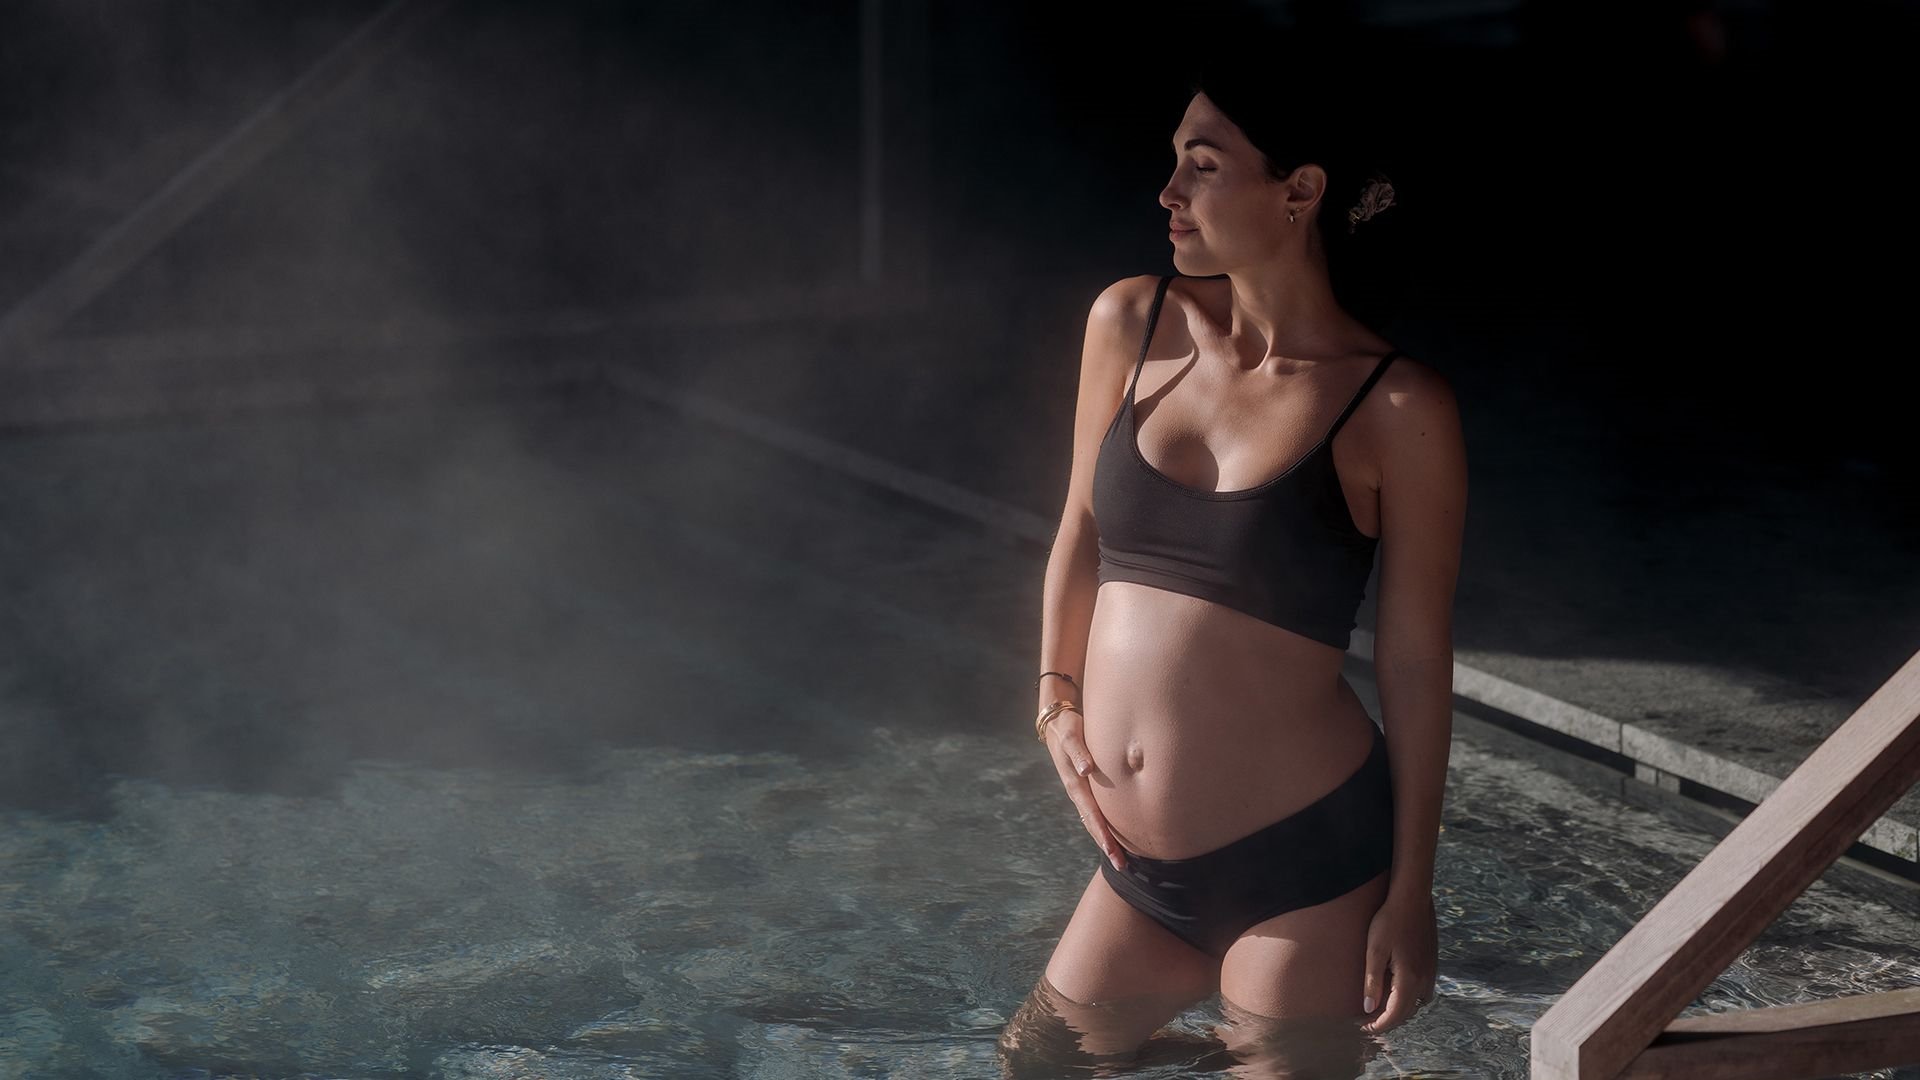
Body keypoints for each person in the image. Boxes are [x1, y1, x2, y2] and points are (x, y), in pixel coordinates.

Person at [999, 27, 1467, 1071]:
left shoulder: (1395, 407)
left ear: (1299, 191)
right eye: (1173, 160)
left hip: (1308, 868)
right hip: (1142, 876)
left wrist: (1411, 891)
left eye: (1202, 167)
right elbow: (1077, 530)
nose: (1168, 191)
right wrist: (1054, 698)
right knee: (1035, 1064)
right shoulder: (1132, 322)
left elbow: (1415, 663)